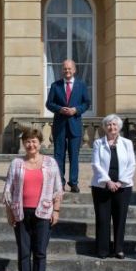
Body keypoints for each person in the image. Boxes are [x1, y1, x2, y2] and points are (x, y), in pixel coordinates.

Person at [2, 128, 62, 271]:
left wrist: (56, 210)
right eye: (27, 141)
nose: (31, 144)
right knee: (23, 252)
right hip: (21, 213)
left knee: (40, 253)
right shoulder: (16, 163)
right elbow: (8, 189)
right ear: (23, 144)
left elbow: (58, 189)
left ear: (40, 143)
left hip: (43, 213)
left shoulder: (50, 163)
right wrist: (9, 213)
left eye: (34, 141)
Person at [90, 114, 136, 259]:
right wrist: (107, 181)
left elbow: (132, 164)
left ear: (119, 127)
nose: (112, 127)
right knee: (103, 219)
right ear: (105, 127)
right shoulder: (98, 143)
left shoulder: (127, 143)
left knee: (120, 218)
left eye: (114, 124)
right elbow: (95, 164)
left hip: (123, 186)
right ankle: (102, 249)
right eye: (109, 124)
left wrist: (120, 182)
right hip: (101, 186)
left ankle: (118, 249)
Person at [45, 59, 91, 193]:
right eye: (65, 69)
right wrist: (59, 109)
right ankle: (60, 182)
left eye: (69, 69)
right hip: (60, 125)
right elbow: (49, 104)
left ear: (74, 70)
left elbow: (86, 103)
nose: (67, 71)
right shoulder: (55, 86)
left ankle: (74, 183)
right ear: (62, 70)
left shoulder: (81, 85)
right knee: (59, 155)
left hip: (75, 125)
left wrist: (76, 110)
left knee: (74, 156)